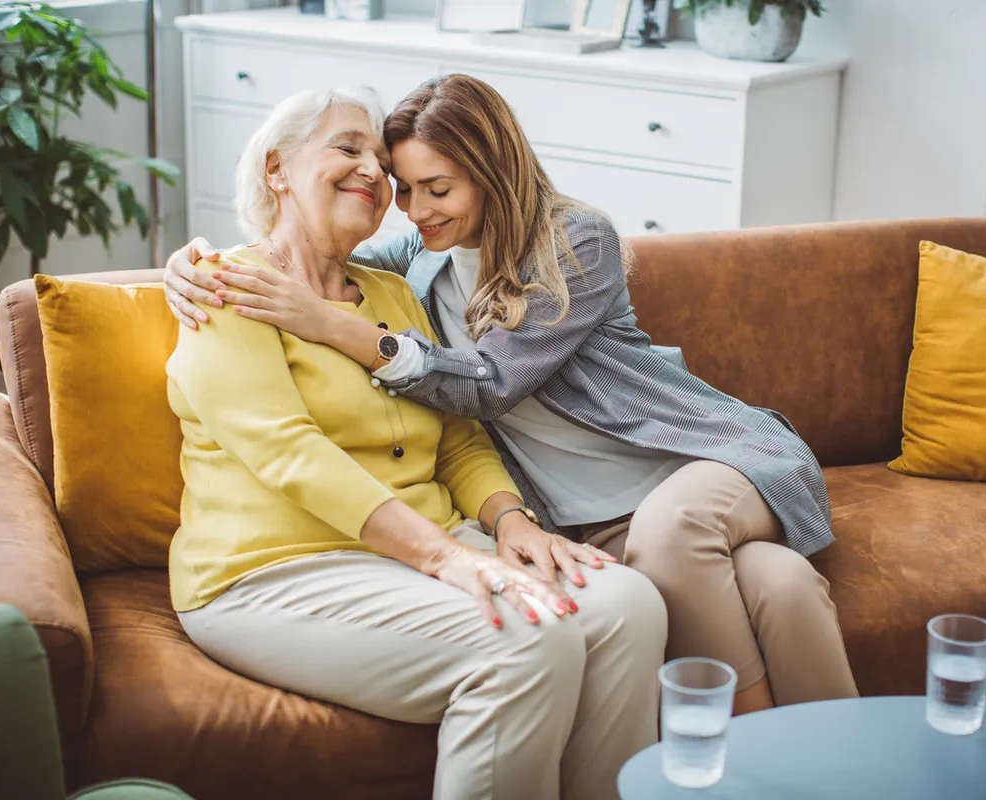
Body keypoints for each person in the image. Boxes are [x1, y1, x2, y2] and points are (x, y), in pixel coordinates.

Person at [163, 74, 858, 715]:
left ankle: (749, 756)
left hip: (688, 466)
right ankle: (846, 765)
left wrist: (330, 326)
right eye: (404, 190)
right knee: (780, 583)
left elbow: (488, 386)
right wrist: (189, 266)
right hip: (594, 515)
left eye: (438, 188)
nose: (416, 209)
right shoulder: (423, 256)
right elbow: (309, 250)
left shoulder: (573, 242)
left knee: (673, 538)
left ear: (492, 174)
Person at [166, 86, 667, 800]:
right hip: (278, 570)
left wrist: (511, 524)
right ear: (276, 168)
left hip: (427, 545)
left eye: (382, 162)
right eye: (347, 148)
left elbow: (459, 437)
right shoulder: (225, 288)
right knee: (526, 640)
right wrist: (451, 560)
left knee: (629, 606)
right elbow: (290, 453)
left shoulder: (393, 291)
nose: (373, 172)